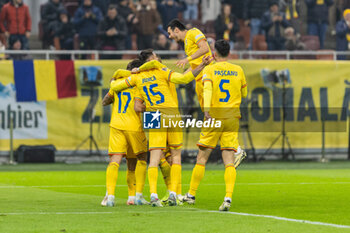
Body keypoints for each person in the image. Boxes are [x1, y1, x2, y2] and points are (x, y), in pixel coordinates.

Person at [110, 50, 213, 207]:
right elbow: (185, 78)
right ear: (151, 59)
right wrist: (202, 65)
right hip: (171, 113)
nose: (157, 57)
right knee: (175, 155)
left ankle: (153, 195)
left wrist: (117, 77)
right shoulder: (162, 71)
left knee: (155, 158)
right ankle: (174, 193)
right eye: (155, 55)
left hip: (153, 115)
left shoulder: (138, 76)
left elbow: (134, 103)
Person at [182, 40, 247, 211]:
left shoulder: (209, 69)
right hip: (232, 118)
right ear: (229, 53)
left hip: (214, 117)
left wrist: (208, 111)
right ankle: (227, 198)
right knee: (229, 161)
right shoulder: (238, 70)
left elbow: (208, 90)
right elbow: (244, 93)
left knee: (202, 158)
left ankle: (191, 194)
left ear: (215, 53)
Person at [101, 59, 149, 207]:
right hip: (133, 126)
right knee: (138, 159)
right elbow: (138, 107)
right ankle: (135, 196)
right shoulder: (138, 83)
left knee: (115, 160)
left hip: (116, 125)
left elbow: (105, 101)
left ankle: (110, 197)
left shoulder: (118, 83)